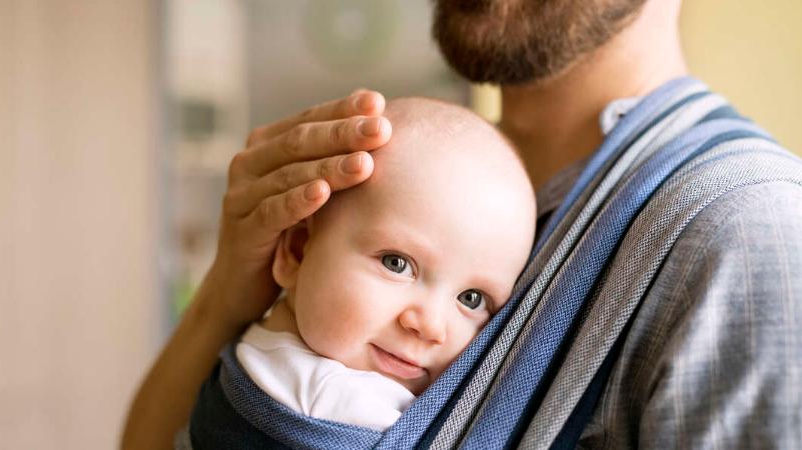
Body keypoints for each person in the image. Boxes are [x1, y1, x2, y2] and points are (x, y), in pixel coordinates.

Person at [122, 0, 802, 448]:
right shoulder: (399, 171)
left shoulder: (744, 228)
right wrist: (225, 299)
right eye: (396, 264)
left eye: (472, 299)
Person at [229, 97, 535, 431]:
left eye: (471, 299)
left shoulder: (259, 348)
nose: (430, 326)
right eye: (397, 263)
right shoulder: (337, 400)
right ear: (299, 251)